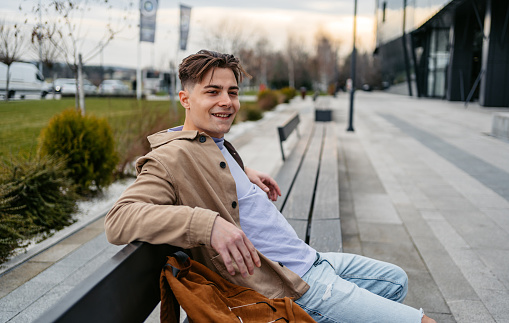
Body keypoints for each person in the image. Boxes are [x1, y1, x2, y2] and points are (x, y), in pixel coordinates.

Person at [105, 50, 436, 323]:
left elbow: (209, 171)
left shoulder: (211, 141)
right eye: (212, 91)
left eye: (232, 92)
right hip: (293, 285)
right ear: (185, 98)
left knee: (396, 281)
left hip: (311, 259)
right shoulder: (168, 159)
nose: (227, 101)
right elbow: (119, 219)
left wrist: (244, 173)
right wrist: (208, 225)